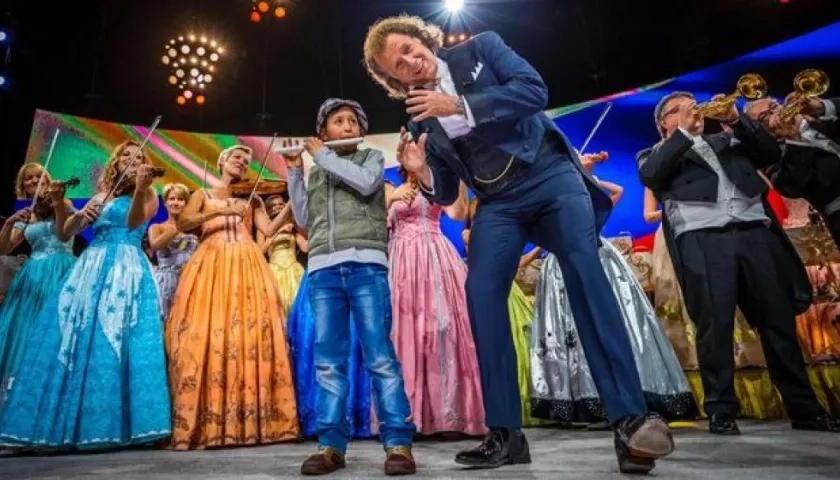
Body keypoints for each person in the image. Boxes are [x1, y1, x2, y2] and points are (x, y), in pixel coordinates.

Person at [363, 15, 673, 474]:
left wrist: (460, 105)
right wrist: (423, 169)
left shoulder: (481, 49)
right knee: (482, 296)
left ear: (423, 39)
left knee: (585, 273)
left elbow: (534, 91)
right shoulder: (417, 120)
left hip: (548, 176)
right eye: (398, 65)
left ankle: (630, 423)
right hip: (496, 202)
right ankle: (505, 433)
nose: (411, 61)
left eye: (410, 47)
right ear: (393, 80)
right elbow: (447, 192)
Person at [637, 91, 838, 434]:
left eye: (694, 104)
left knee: (778, 324)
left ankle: (805, 409)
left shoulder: (728, 139)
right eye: (680, 109)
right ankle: (721, 410)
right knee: (714, 326)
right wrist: (684, 133)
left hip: (754, 233)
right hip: (704, 239)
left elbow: (770, 152)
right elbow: (653, 176)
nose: (692, 111)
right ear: (663, 123)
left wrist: (734, 118)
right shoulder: (653, 153)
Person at [0, 141, 171, 449]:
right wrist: (60, 203)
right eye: (126, 157)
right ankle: (70, 424)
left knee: (117, 337)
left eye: (139, 158)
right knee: (76, 337)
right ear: (116, 163)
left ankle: (111, 425)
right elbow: (66, 232)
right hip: (90, 266)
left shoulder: (147, 195)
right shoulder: (101, 196)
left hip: (126, 266)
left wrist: (144, 186)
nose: (132, 162)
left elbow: (134, 223)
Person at [280, 98, 416, 476]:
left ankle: (398, 444)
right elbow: (306, 220)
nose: (347, 126)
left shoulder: (371, 158)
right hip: (323, 269)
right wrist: (295, 172)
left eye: (352, 121)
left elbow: (367, 183)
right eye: (338, 121)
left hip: (366, 265)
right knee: (328, 363)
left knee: (380, 357)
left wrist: (320, 156)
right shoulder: (317, 171)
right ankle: (330, 447)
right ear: (324, 131)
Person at [530, 156, 697, 428]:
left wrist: (591, 176)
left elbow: (617, 192)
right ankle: (585, 398)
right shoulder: (553, 189)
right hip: (564, 258)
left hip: (599, 255)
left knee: (619, 321)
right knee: (572, 329)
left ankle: (629, 397)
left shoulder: (589, 189)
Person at [165, 145, 300, 450]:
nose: (242, 162)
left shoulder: (250, 198)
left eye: (248, 160)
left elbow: (268, 228)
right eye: (237, 157)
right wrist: (225, 209)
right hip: (212, 263)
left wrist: (292, 201)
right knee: (208, 334)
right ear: (223, 161)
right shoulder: (202, 192)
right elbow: (185, 222)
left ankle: (251, 420)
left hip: (247, 263)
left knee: (248, 336)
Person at [386, 169, 486, 436]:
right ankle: (406, 415)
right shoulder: (388, 187)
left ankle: (446, 413)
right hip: (400, 263)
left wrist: (461, 175)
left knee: (441, 329)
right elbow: (374, 217)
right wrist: (392, 196)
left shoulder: (437, 186)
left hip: (432, 258)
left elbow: (458, 213)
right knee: (403, 334)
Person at [0, 164, 76, 402]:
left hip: (60, 269)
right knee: (24, 326)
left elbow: (64, 233)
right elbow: (4, 248)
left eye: (38, 176)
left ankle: (46, 391)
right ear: (22, 186)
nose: (33, 181)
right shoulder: (28, 213)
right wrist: (10, 221)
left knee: (51, 325)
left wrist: (57, 201)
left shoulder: (62, 203)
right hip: (32, 275)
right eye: (28, 179)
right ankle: (16, 391)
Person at [148, 183, 197, 319]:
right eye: (172, 199)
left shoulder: (195, 230)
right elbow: (156, 244)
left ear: (186, 204)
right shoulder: (156, 227)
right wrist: (177, 227)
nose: (175, 203)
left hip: (188, 281)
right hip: (166, 282)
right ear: (165, 203)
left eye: (180, 199)